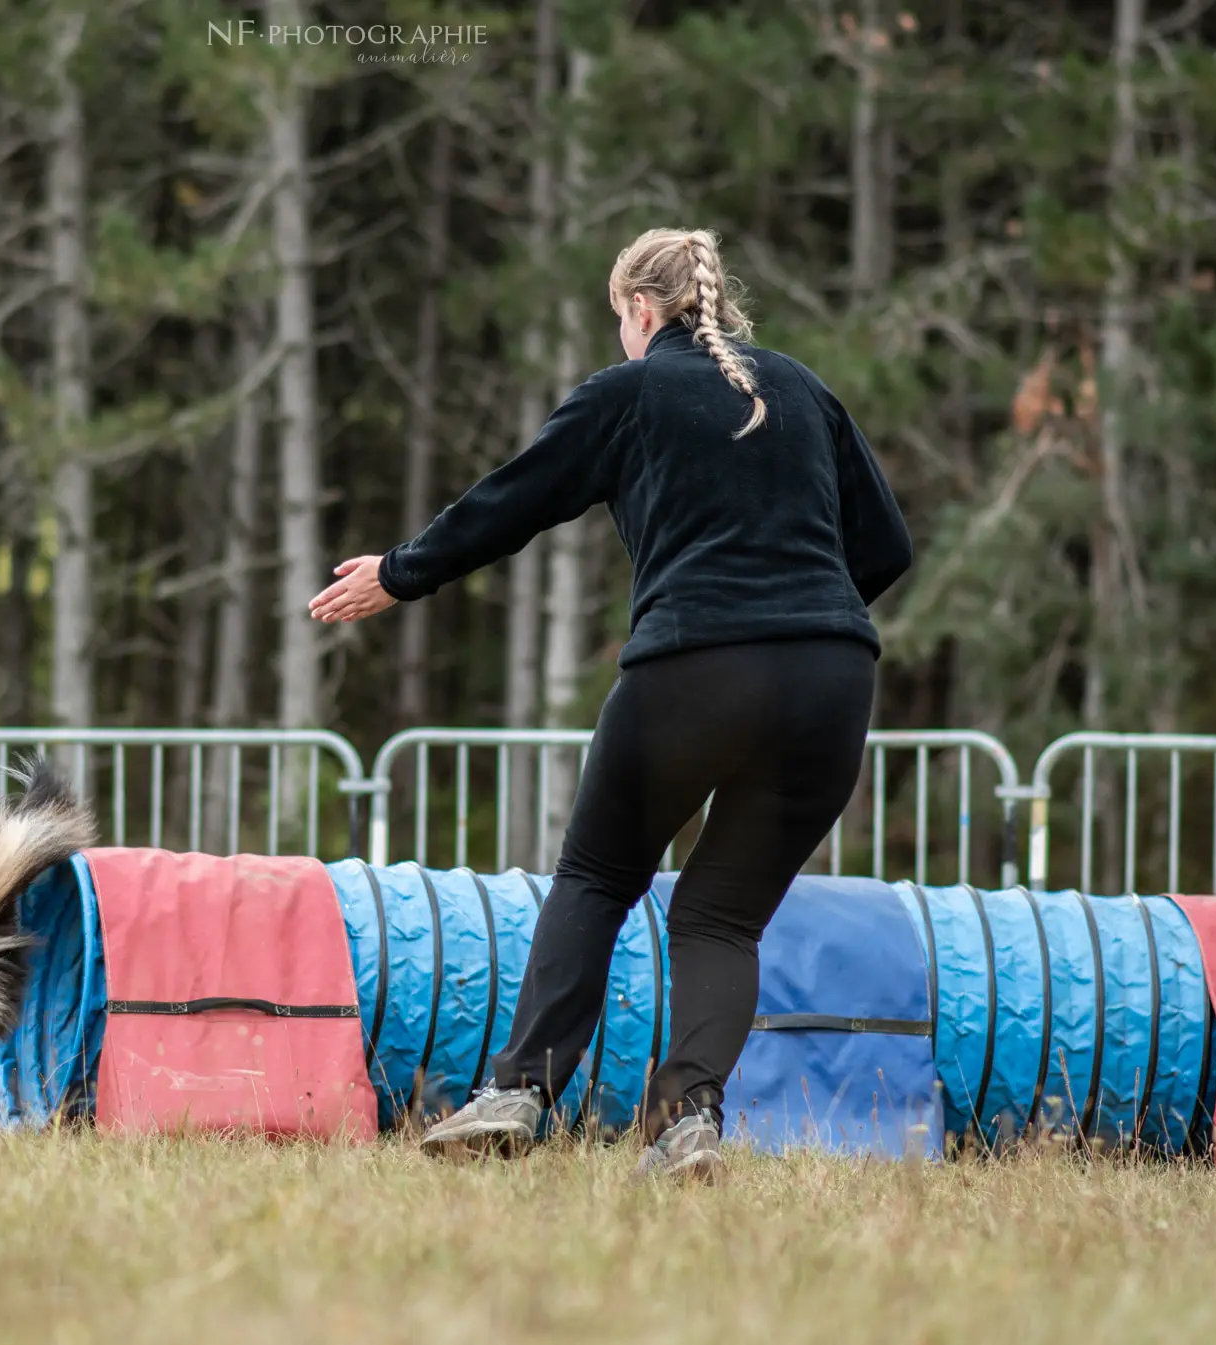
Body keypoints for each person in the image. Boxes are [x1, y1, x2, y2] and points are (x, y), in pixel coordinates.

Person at [308, 227, 912, 1183]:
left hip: (693, 669)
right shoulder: (801, 387)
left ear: (638, 309)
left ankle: (520, 1090)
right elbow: (886, 547)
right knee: (721, 919)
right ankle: (687, 1124)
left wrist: (399, 572)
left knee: (596, 876)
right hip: (831, 680)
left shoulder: (628, 391)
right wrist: (802, 623)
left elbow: (512, 502)